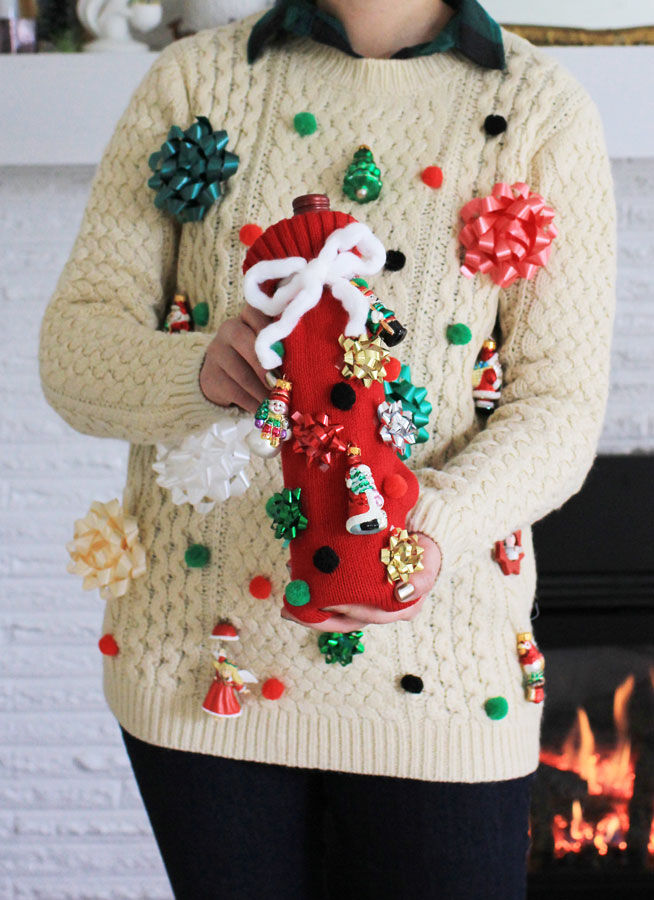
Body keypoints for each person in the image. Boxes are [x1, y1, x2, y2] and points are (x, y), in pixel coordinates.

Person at [38, 0, 616, 897]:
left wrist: (425, 527)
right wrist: (200, 368)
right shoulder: (197, 82)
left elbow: (561, 410)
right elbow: (74, 351)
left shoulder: (539, 109)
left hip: (448, 674)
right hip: (203, 669)